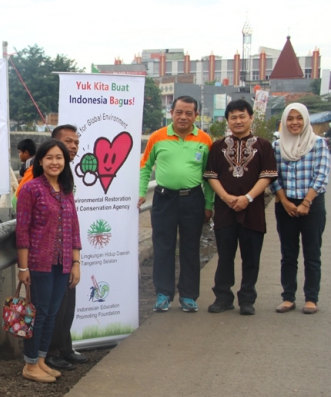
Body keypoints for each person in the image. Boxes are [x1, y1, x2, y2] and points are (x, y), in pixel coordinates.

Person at [17, 124, 87, 368]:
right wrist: (23, 268)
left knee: (52, 314)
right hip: (39, 263)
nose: (55, 162)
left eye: (59, 158)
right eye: (50, 158)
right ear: (41, 161)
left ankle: (42, 360)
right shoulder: (31, 188)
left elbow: (74, 229)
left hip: (63, 263)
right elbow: (23, 231)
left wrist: (76, 263)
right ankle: (30, 364)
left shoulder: (66, 190)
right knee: (39, 314)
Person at [138, 96, 214, 313]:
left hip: (193, 199)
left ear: (195, 116)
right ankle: (163, 294)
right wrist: (142, 192)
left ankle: (188, 296)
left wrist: (209, 204)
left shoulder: (205, 140)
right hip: (164, 199)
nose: (183, 117)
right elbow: (145, 167)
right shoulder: (158, 137)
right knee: (163, 246)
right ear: (171, 112)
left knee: (190, 248)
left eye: (189, 113)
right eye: (179, 112)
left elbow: (209, 176)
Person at [203, 99, 277, 315]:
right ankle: (223, 297)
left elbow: (268, 176)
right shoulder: (218, 147)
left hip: (252, 210)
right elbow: (210, 175)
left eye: (242, 116)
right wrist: (226, 198)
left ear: (251, 117)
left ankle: (247, 299)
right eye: (233, 117)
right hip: (225, 210)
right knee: (224, 255)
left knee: (251, 257)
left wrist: (248, 197)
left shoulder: (264, 146)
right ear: (227, 120)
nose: (238, 121)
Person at [271, 103, 329, 314]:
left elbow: (322, 175)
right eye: (290, 118)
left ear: (306, 120)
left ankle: (311, 298)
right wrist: (285, 201)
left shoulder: (318, 143)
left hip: (312, 205)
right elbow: (272, 176)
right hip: (286, 205)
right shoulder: (277, 146)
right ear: (284, 121)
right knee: (288, 253)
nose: (294, 122)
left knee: (312, 253)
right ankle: (288, 297)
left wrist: (306, 202)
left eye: (299, 118)